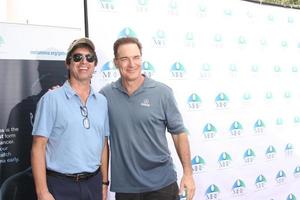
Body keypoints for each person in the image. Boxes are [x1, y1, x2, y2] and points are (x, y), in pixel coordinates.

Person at [100, 37, 195, 200]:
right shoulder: (105, 96)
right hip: (126, 190)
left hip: (162, 186)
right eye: (125, 59)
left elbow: (179, 134)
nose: (132, 64)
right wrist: (104, 183)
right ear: (116, 62)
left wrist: (188, 173)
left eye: (136, 57)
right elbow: (102, 142)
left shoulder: (162, 92)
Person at [31, 38, 110, 200]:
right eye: (77, 57)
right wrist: (42, 192)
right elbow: (38, 147)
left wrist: (104, 183)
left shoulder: (102, 101)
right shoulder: (51, 99)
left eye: (89, 58)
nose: (84, 62)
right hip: (60, 186)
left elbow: (103, 144)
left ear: (94, 65)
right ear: (68, 63)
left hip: (93, 185)